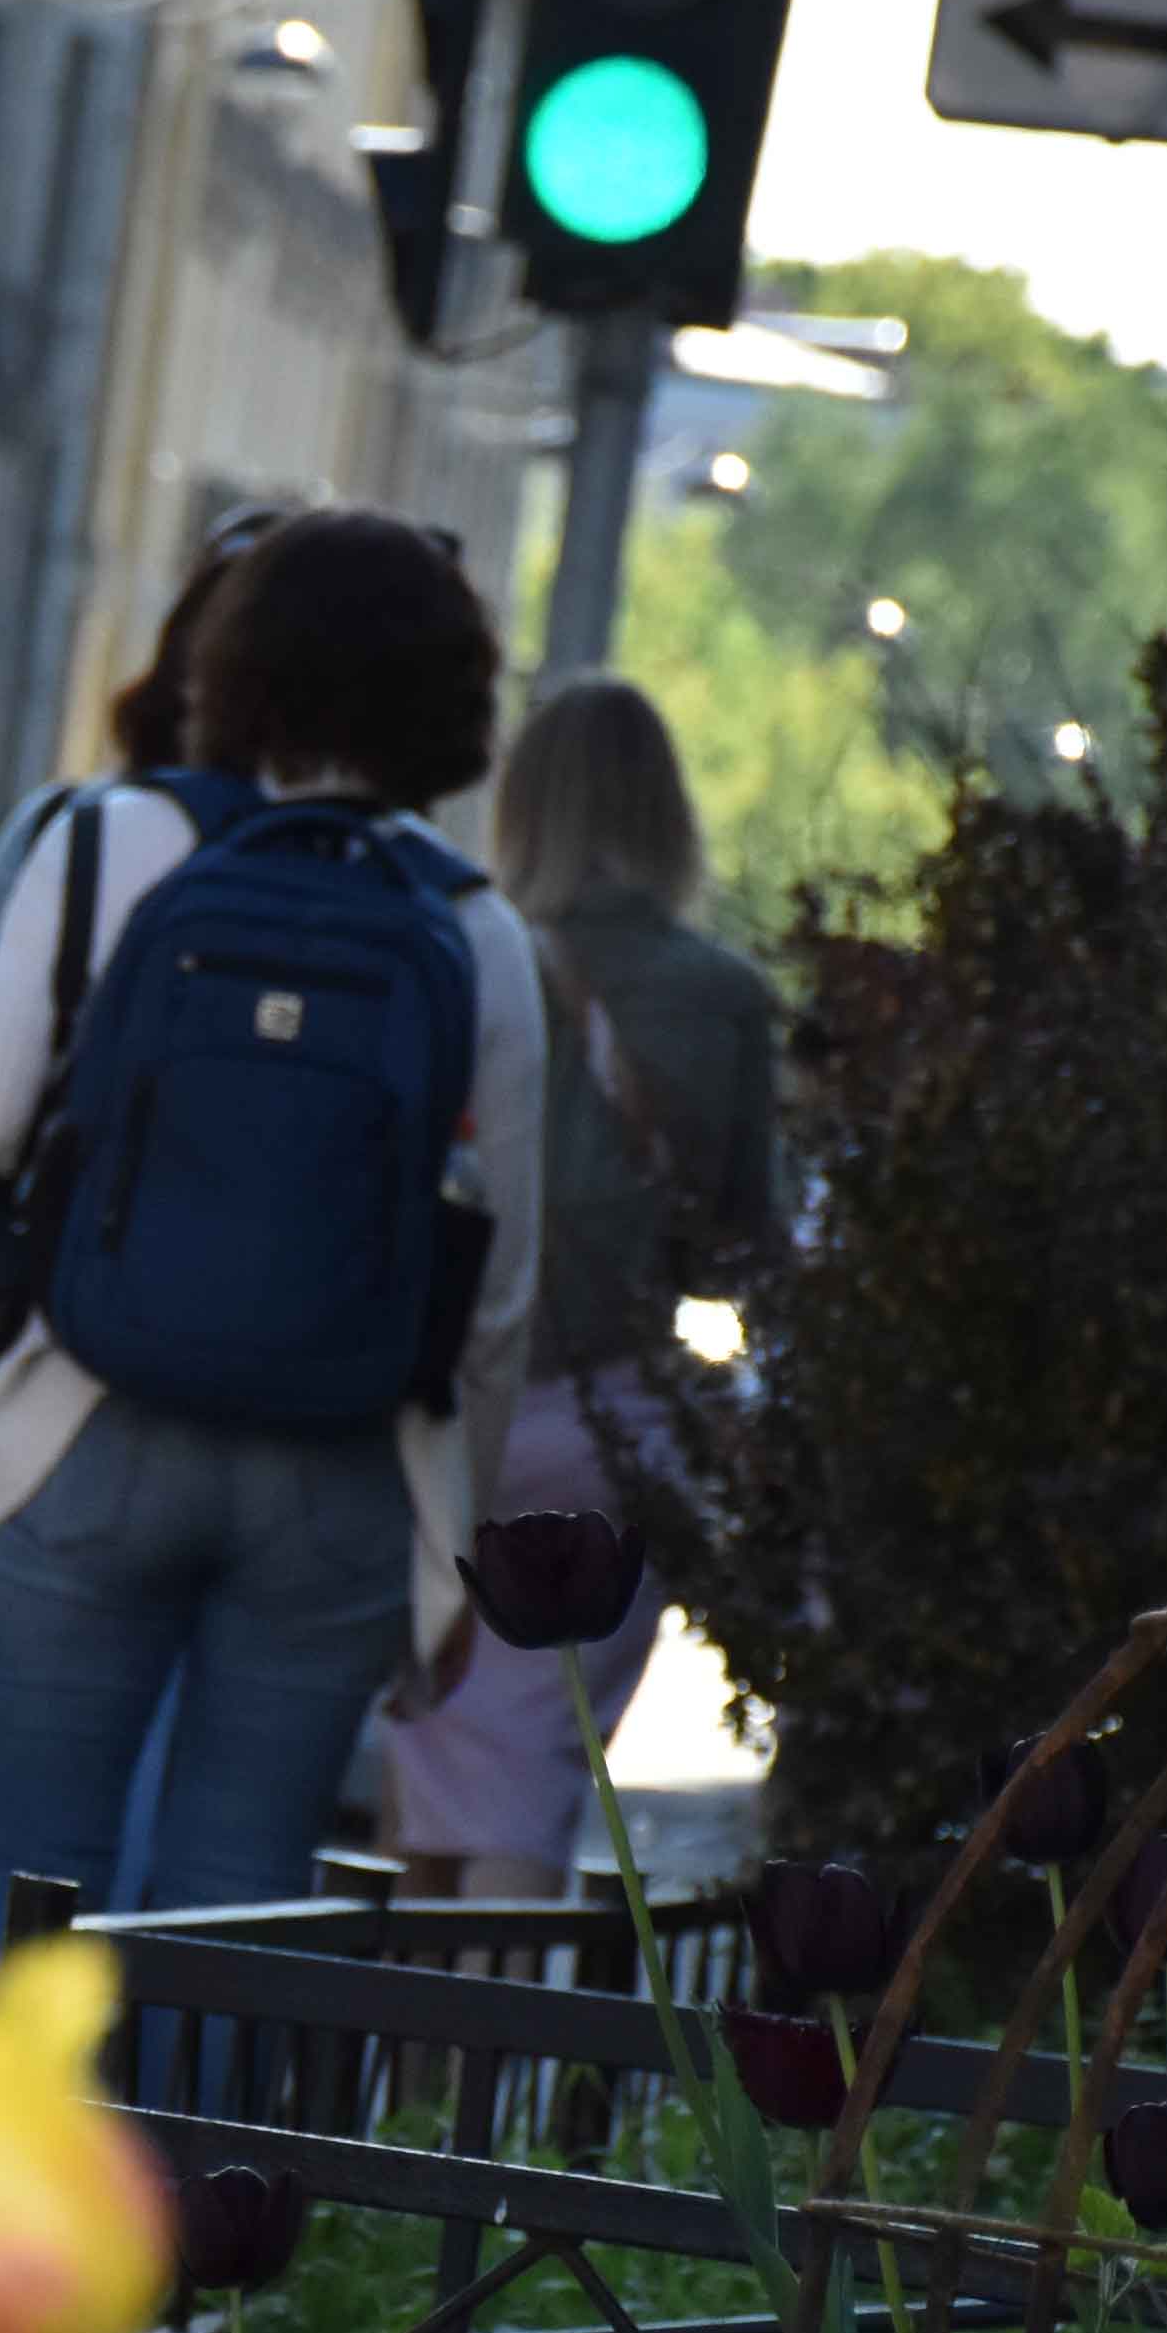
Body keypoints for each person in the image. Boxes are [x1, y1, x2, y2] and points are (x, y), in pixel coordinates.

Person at [0, 510, 541, 1976]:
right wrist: (458, 1552)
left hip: (81, 1424)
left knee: (21, 1872)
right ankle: (197, 2136)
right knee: (242, 1902)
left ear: (236, 661)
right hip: (340, 1468)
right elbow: (499, 1295)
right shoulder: (476, 930)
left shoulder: (112, 838)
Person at [384, 678, 778, 1896]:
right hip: (617, 1426)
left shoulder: (464, 954)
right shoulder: (722, 997)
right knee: (540, 1757)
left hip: (457, 1415)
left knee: (430, 1732)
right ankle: (486, 2011)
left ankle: (412, 2009)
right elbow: (739, 1248)